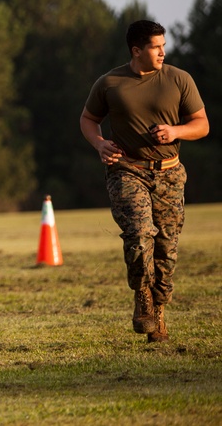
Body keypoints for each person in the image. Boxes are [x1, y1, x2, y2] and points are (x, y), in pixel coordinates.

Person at [80, 20, 209, 343]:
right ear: (137, 50)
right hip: (127, 171)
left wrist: (175, 131)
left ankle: (159, 310)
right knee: (139, 234)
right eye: (156, 47)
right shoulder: (110, 82)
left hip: (169, 172)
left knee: (166, 248)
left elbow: (202, 124)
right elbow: (88, 119)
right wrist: (100, 144)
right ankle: (142, 296)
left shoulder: (180, 80)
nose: (163, 52)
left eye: (164, 45)